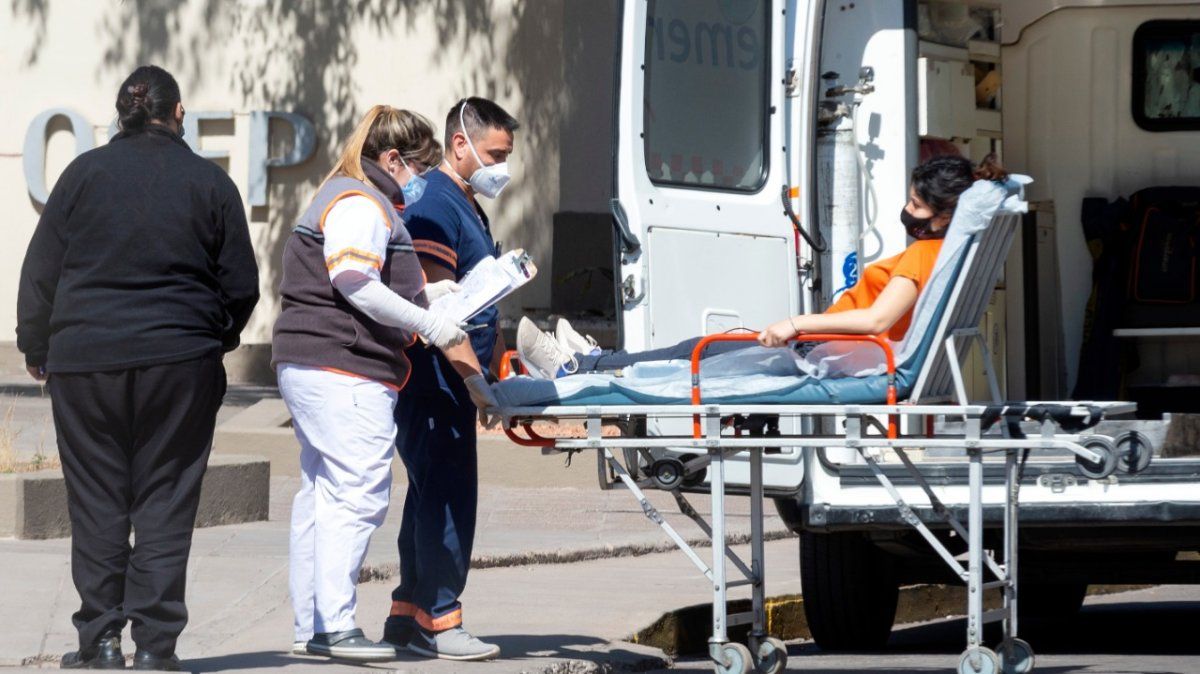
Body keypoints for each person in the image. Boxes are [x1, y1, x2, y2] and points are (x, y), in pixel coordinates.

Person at [16, 65, 259, 671]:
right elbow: (242, 286)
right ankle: (155, 648)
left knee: (97, 501)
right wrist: (213, 338)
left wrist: (36, 347)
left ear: (118, 116)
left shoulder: (80, 176)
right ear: (178, 114)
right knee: (165, 499)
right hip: (180, 362)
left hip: (85, 363)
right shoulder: (210, 182)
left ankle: (99, 641)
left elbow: (40, 271)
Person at [271, 106, 468, 662]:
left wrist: (440, 298)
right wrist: (426, 321)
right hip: (344, 366)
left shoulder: (345, 195)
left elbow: (369, 280)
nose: (423, 181)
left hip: (314, 361)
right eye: (421, 168)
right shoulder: (362, 203)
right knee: (358, 493)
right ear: (392, 160)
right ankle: (334, 626)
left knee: (322, 494)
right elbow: (354, 279)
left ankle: (313, 625)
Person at [518, 154, 1007, 377]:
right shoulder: (942, 254)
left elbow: (877, 320)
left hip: (832, 353)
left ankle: (580, 367)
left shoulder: (924, 256)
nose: (908, 213)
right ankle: (595, 363)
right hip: (836, 350)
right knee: (704, 351)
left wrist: (795, 325)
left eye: (917, 207)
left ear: (945, 215)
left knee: (699, 354)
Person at [380, 97, 516, 662]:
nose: (502, 168)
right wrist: (472, 380)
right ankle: (441, 619)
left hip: (450, 378)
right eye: (494, 154)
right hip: (437, 379)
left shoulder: (463, 202)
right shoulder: (436, 203)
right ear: (460, 144)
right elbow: (443, 313)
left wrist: (497, 360)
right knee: (447, 499)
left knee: (428, 497)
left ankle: (408, 617)